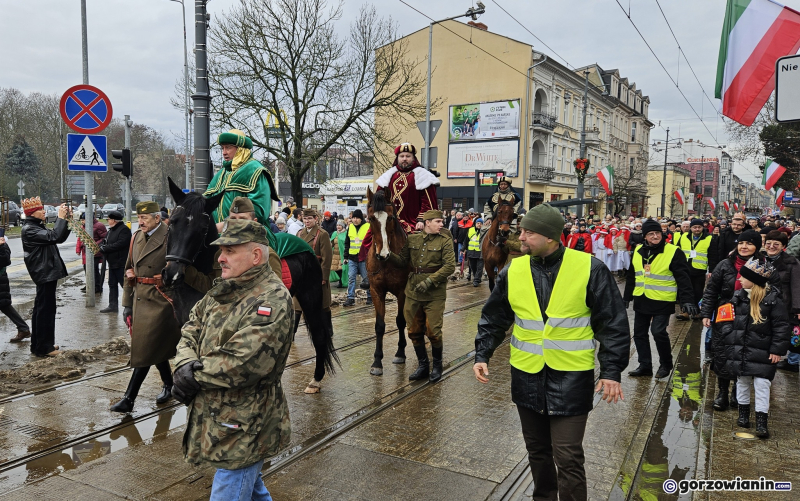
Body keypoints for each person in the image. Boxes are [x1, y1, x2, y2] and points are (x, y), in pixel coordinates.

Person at [473, 203, 630, 501]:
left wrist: (611, 372)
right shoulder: (514, 269)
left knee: (568, 456)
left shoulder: (590, 268)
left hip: (571, 378)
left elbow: (612, 323)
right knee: (538, 452)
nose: (520, 237)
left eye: (528, 232)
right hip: (526, 376)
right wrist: (482, 354)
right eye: (521, 231)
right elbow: (494, 317)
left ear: (550, 237)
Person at [172, 219, 293, 501]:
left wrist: (191, 377)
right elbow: (191, 327)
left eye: (229, 251)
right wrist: (184, 364)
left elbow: (245, 361)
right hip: (222, 419)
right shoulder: (224, 289)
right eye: (221, 250)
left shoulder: (272, 299)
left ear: (255, 256)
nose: (220, 258)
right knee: (251, 490)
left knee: (230, 490)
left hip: (246, 422)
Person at [112, 202, 180, 412]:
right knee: (153, 347)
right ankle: (169, 384)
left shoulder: (172, 237)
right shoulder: (136, 238)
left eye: (145, 218)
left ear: (157, 219)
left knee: (146, 347)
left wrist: (167, 279)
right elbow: (128, 271)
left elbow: (182, 269)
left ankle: (129, 398)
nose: (140, 222)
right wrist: (126, 304)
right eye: (139, 218)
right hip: (140, 299)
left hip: (161, 300)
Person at [380, 210, 456, 382]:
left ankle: (437, 366)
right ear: (427, 223)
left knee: (433, 331)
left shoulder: (445, 240)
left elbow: (450, 266)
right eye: (438, 221)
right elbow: (402, 261)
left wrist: (430, 281)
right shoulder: (413, 239)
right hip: (413, 292)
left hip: (434, 293)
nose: (441, 224)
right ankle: (423, 366)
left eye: (441, 221)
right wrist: (388, 255)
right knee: (413, 330)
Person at [719, 258, 789, 438]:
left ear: (754, 280)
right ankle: (743, 415)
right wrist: (729, 335)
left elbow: (781, 327)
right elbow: (725, 318)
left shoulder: (773, 300)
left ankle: (761, 421)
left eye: (743, 277)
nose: (739, 279)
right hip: (741, 349)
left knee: (762, 385)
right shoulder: (738, 297)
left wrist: (777, 350)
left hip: (763, 352)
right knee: (741, 382)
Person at [701, 230, 770, 412]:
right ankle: (722, 392)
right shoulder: (725, 264)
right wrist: (706, 313)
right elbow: (711, 290)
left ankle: (737, 393)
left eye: (749, 244)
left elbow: (774, 292)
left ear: (757, 247)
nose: (744, 247)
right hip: (726, 314)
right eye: (741, 243)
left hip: (752, 315)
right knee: (722, 353)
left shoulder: (764, 265)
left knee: (743, 354)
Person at [623, 219, 696, 378]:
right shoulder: (638, 250)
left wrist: (687, 301)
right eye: (651, 234)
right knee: (639, 334)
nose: (655, 236)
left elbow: (683, 278)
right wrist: (626, 297)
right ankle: (645, 366)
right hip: (642, 298)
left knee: (658, 331)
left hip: (663, 299)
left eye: (657, 233)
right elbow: (631, 276)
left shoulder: (673, 251)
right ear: (645, 236)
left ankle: (666, 364)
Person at [203, 129, 279, 250]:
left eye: (228, 147)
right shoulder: (220, 174)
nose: (224, 152)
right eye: (222, 148)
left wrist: (225, 226)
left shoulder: (256, 171)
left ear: (240, 149)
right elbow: (206, 205)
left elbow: (259, 212)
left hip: (250, 237)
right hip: (218, 238)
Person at [21, 198, 71, 357]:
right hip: (44, 273)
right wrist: (61, 218)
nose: (44, 211)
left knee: (42, 309)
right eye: (40, 209)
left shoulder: (35, 226)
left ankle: (39, 345)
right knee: (45, 311)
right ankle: (44, 348)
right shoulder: (30, 229)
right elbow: (54, 236)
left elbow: (58, 237)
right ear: (32, 213)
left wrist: (66, 220)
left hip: (45, 273)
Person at [292, 210, 333, 378]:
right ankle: (292, 335)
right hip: (302, 279)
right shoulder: (299, 233)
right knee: (297, 309)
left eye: (310, 218)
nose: (307, 221)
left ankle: (328, 331)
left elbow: (327, 258)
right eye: (305, 218)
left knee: (322, 309)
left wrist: (323, 278)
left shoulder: (321, 235)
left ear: (316, 219)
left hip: (317, 280)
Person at [374, 142, 439, 233]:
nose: (404, 159)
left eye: (408, 156)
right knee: (368, 242)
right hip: (389, 223)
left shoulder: (422, 175)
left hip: (413, 224)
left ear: (413, 158)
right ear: (397, 158)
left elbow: (428, 202)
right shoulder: (389, 175)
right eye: (402, 156)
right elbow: (378, 199)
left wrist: (421, 220)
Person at [762, 231, 800, 373]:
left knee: (782, 334)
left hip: (783, 306)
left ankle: (786, 360)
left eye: (776, 244)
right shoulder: (759, 260)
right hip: (761, 305)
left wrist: (797, 308)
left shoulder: (792, 262)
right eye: (768, 243)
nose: (771, 246)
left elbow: (797, 286)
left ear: (783, 246)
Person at [226, 197, 282, 277]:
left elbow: (276, 288)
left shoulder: (267, 255)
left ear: (254, 222)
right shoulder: (222, 252)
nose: (237, 223)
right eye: (233, 219)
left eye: (243, 219)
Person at [674, 218, 717, 321]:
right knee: (683, 290)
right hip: (684, 268)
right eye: (694, 227)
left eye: (699, 227)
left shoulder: (709, 238)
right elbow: (677, 251)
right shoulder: (684, 236)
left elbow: (713, 256)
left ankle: (696, 312)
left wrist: (711, 270)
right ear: (691, 228)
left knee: (697, 291)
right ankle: (685, 311)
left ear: (703, 227)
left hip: (699, 269)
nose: (697, 229)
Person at [98, 211, 132, 313]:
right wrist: (101, 246)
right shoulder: (111, 230)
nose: (107, 221)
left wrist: (106, 248)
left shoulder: (124, 230)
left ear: (114, 220)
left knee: (124, 285)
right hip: (112, 262)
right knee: (112, 284)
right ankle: (112, 305)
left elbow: (121, 243)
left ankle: (131, 305)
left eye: (108, 219)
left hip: (120, 262)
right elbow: (105, 241)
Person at [1, 234, 31, 342]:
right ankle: (23, 328)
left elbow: (5, 260)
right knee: (4, 305)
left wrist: (0, 247)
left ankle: (23, 328)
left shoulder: (2, 241)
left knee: (4, 304)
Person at [343, 209, 371, 307]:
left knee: (367, 278)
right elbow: (347, 243)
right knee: (351, 278)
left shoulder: (368, 227)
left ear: (361, 219)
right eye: (353, 218)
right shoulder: (350, 228)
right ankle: (350, 298)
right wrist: (345, 257)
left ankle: (370, 297)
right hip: (352, 257)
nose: (355, 220)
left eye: (357, 218)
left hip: (364, 257)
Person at [77, 212, 107, 294]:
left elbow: (104, 238)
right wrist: (78, 248)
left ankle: (97, 286)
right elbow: (80, 238)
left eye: (83, 220)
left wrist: (94, 244)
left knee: (94, 270)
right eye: (82, 220)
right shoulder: (84, 227)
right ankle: (89, 284)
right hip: (86, 251)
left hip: (95, 251)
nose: (82, 222)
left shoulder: (99, 226)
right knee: (87, 268)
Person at [464, 218, 484, 287]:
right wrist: (463, 249)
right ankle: (477, 278)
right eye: (478, 223)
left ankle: (476, 280)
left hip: (480, 252)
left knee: (480, 267)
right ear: (475, 224)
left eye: (481, 224)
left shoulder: (484, 231)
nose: (479, 225)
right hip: (471, 251)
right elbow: (466, 240)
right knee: (473, 267)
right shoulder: (470, 230)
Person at [330, 220, 348, 288]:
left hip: (342, 255)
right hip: (335, 254)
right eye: (337, 225)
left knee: (342, 269)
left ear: (343, 226)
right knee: (335, 269)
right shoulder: (335, 233)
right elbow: (331, 242)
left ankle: (341, 282)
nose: (338, 227)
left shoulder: (346, 233)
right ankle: (340, 280)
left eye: (340, 225)